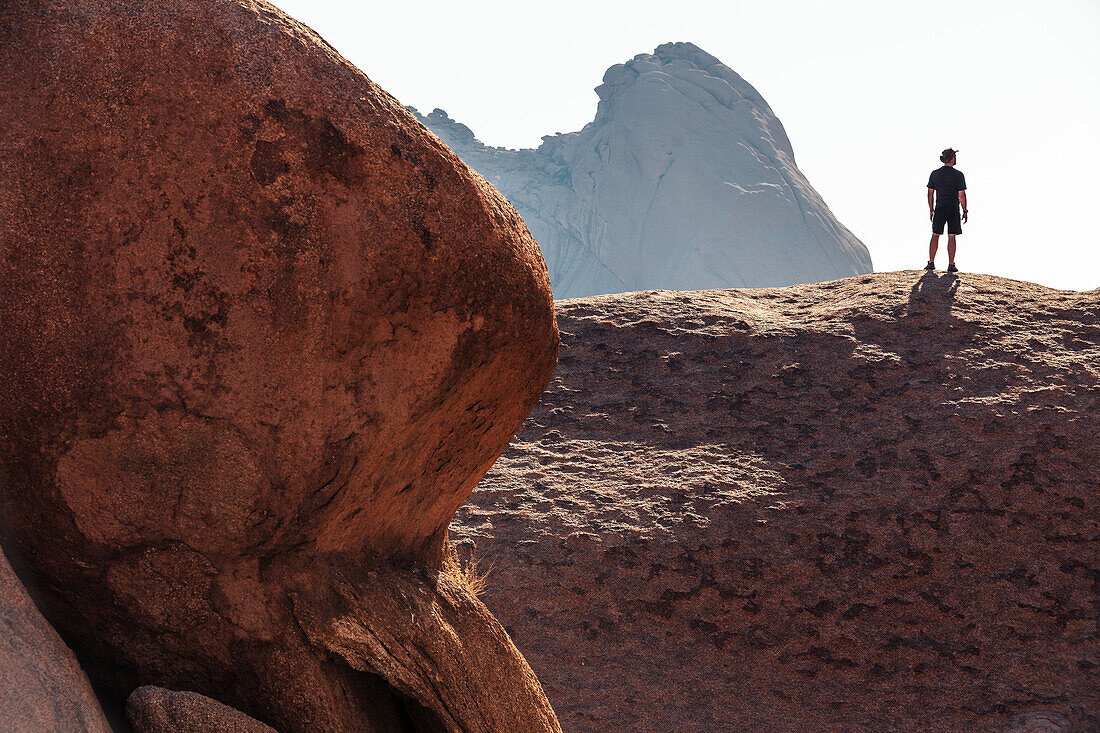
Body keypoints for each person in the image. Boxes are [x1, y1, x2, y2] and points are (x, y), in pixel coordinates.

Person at [925, 148, 968, 273]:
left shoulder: (935, 174)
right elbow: (962, 195)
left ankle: (931, 262)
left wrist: (931, 209)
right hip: (953, 208)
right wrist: (965, 210)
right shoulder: (958, 175)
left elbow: (930, 194)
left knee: (935, 234)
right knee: (952, 236)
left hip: (940, 207)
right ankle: (951, 264)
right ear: (953, 158)